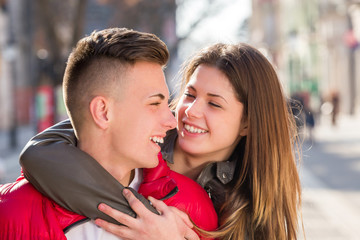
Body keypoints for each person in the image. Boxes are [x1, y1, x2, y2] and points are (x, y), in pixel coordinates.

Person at [19, 42, 302, 240]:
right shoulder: (136, 135)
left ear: (247, 123)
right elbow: (40, 153)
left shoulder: (249, 201)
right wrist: (134, 214)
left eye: (214, 104)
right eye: (190, 95)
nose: (190, 110)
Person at [0, 27, 217, 240]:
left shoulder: (191, 206)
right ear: (103, 112)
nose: (171, 121)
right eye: (154, 103)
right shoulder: (10, 215)